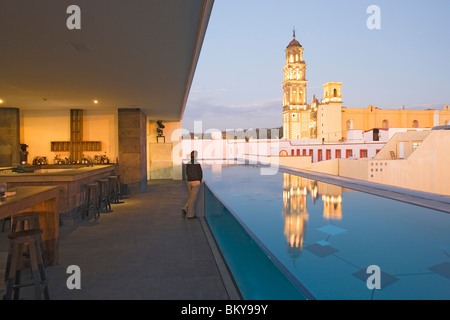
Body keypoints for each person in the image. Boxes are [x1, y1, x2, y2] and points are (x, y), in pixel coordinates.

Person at [182, 151, 203, 219]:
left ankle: (185, 208)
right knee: (193, 199)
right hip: (196, 182)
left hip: (189, 182)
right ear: (196, 156)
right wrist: (199, 181)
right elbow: (200, 173)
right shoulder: (197, 164)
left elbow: (187, 172)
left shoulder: (188, 163)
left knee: (191, 197)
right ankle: (190, 215)